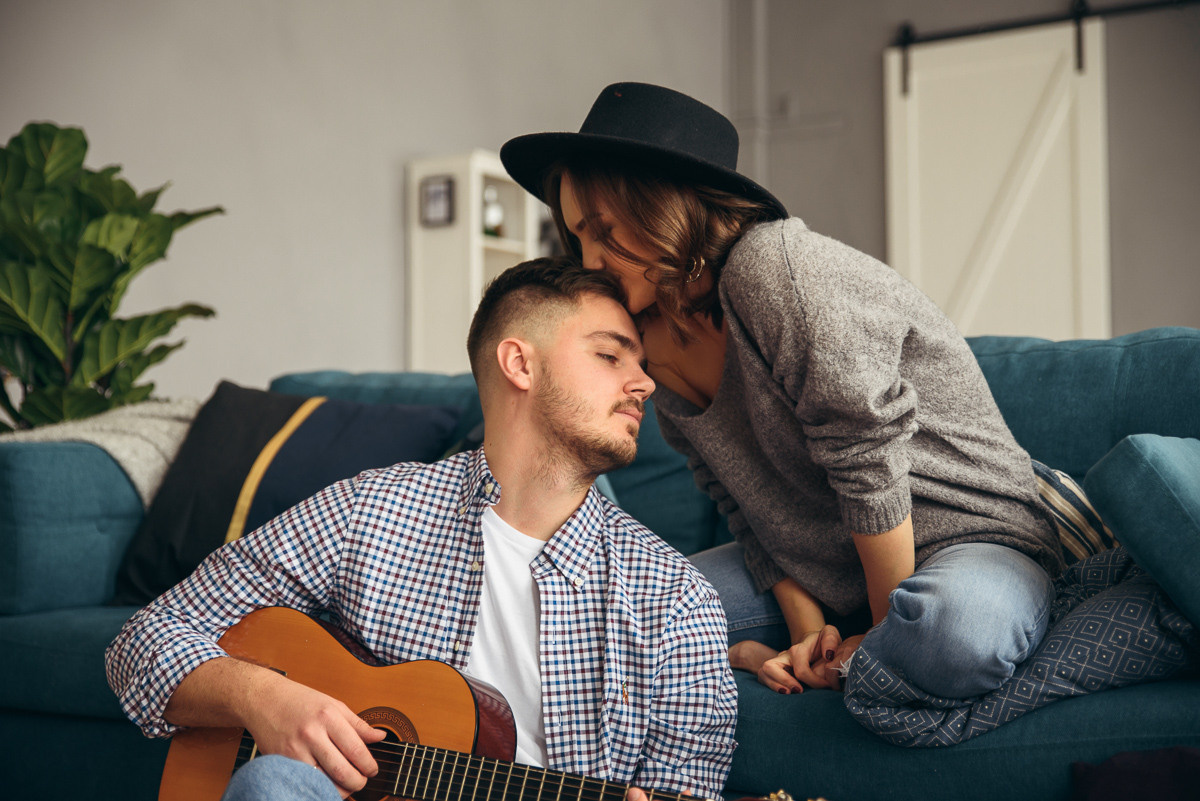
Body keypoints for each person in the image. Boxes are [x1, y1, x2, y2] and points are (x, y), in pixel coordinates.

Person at [499, 82, 1065, 703]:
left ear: (666, 208)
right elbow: (745, 506)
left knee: (952, 637)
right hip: (832, 570)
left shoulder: (773, 268)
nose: (590, 258)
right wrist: (807, 635)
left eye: (604, 230)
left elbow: (867, 464)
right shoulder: (643, 339)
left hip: (969, 538)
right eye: (577, 235)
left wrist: (875, 637)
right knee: (614, 619)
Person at [105, 257, 737, 800]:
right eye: (609, 355)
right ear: (520, 363)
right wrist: (266, 700)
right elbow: (146, 637)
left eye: (641, 365)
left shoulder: (673, 599)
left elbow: (687, 781)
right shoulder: (371, 512)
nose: (644, 383)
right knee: (275, 784)